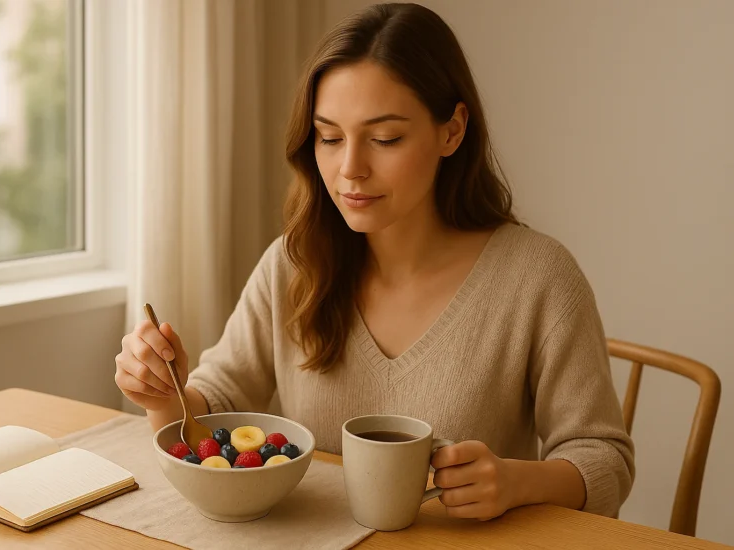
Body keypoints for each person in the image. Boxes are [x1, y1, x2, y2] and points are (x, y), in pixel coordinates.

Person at [115, 2, 634, 521]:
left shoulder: (538, 277)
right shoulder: (293, 264)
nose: (350, 169)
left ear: (451, 131)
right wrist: (163, 393)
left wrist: (517, 480)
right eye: (330, 137)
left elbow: (603, 458)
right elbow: (214, 412)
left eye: (385, 139)